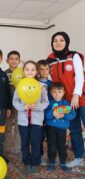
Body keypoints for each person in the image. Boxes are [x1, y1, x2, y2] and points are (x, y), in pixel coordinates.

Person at [47, 31, 85, 168]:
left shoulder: (73, 56)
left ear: (67, 42)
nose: (58, 43)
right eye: (55, 40)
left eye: (61, 40)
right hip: (66, 102)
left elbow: (80, 76)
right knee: (74, 130)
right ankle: (79, 157)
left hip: (80, 99)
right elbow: (50, 80)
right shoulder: (50, 59)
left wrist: (76, 94)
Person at [13, 61, 49, 174]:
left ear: (37, 71)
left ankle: (35, 162)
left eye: (33, 69)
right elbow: (15, 101)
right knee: (24, 142)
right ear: (23, 71)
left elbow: (46, 102)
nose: (30, 71)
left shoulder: (42, 86)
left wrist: (37, 106)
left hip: (37, 121)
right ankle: (27, 162)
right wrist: (23, 107)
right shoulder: (20, 85)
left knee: (36, 142)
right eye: (27, 69)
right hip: (23, 121)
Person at [45, 82, 76, 173]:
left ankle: (63, 163)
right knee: (52, 146)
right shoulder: (49, 103)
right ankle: (51, 162)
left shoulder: (66, 103)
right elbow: (46, 115)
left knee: (62, 146)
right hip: (50, 128)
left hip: (62, 129)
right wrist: (52, 114)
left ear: (63, 92)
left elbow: (72, 115)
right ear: (50, 92)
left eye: (59, 92)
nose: (57, 94)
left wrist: (64, 116)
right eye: (54, 92)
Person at [4, 50, 21, 157]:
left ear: (19, 61)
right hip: (8, 104)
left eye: (16, 59)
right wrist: (6, 106)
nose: (14, 61)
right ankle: (5, 148)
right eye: (11, 59)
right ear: (7, 61)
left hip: (20, 103)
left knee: (19, 127)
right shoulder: (4, 73)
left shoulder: (23, 73)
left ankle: (18, 148)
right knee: (7, 127)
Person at [37, 59, 52, 166]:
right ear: (38, 70)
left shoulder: (52, 83)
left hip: (50, 114)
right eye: (42, 69)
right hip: (39, 114)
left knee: (51, 137)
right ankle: (40, 155)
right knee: (40, 137)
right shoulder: (35, 83)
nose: (44, 71)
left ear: (49, 70)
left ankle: (50, 156)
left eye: (46, 69)